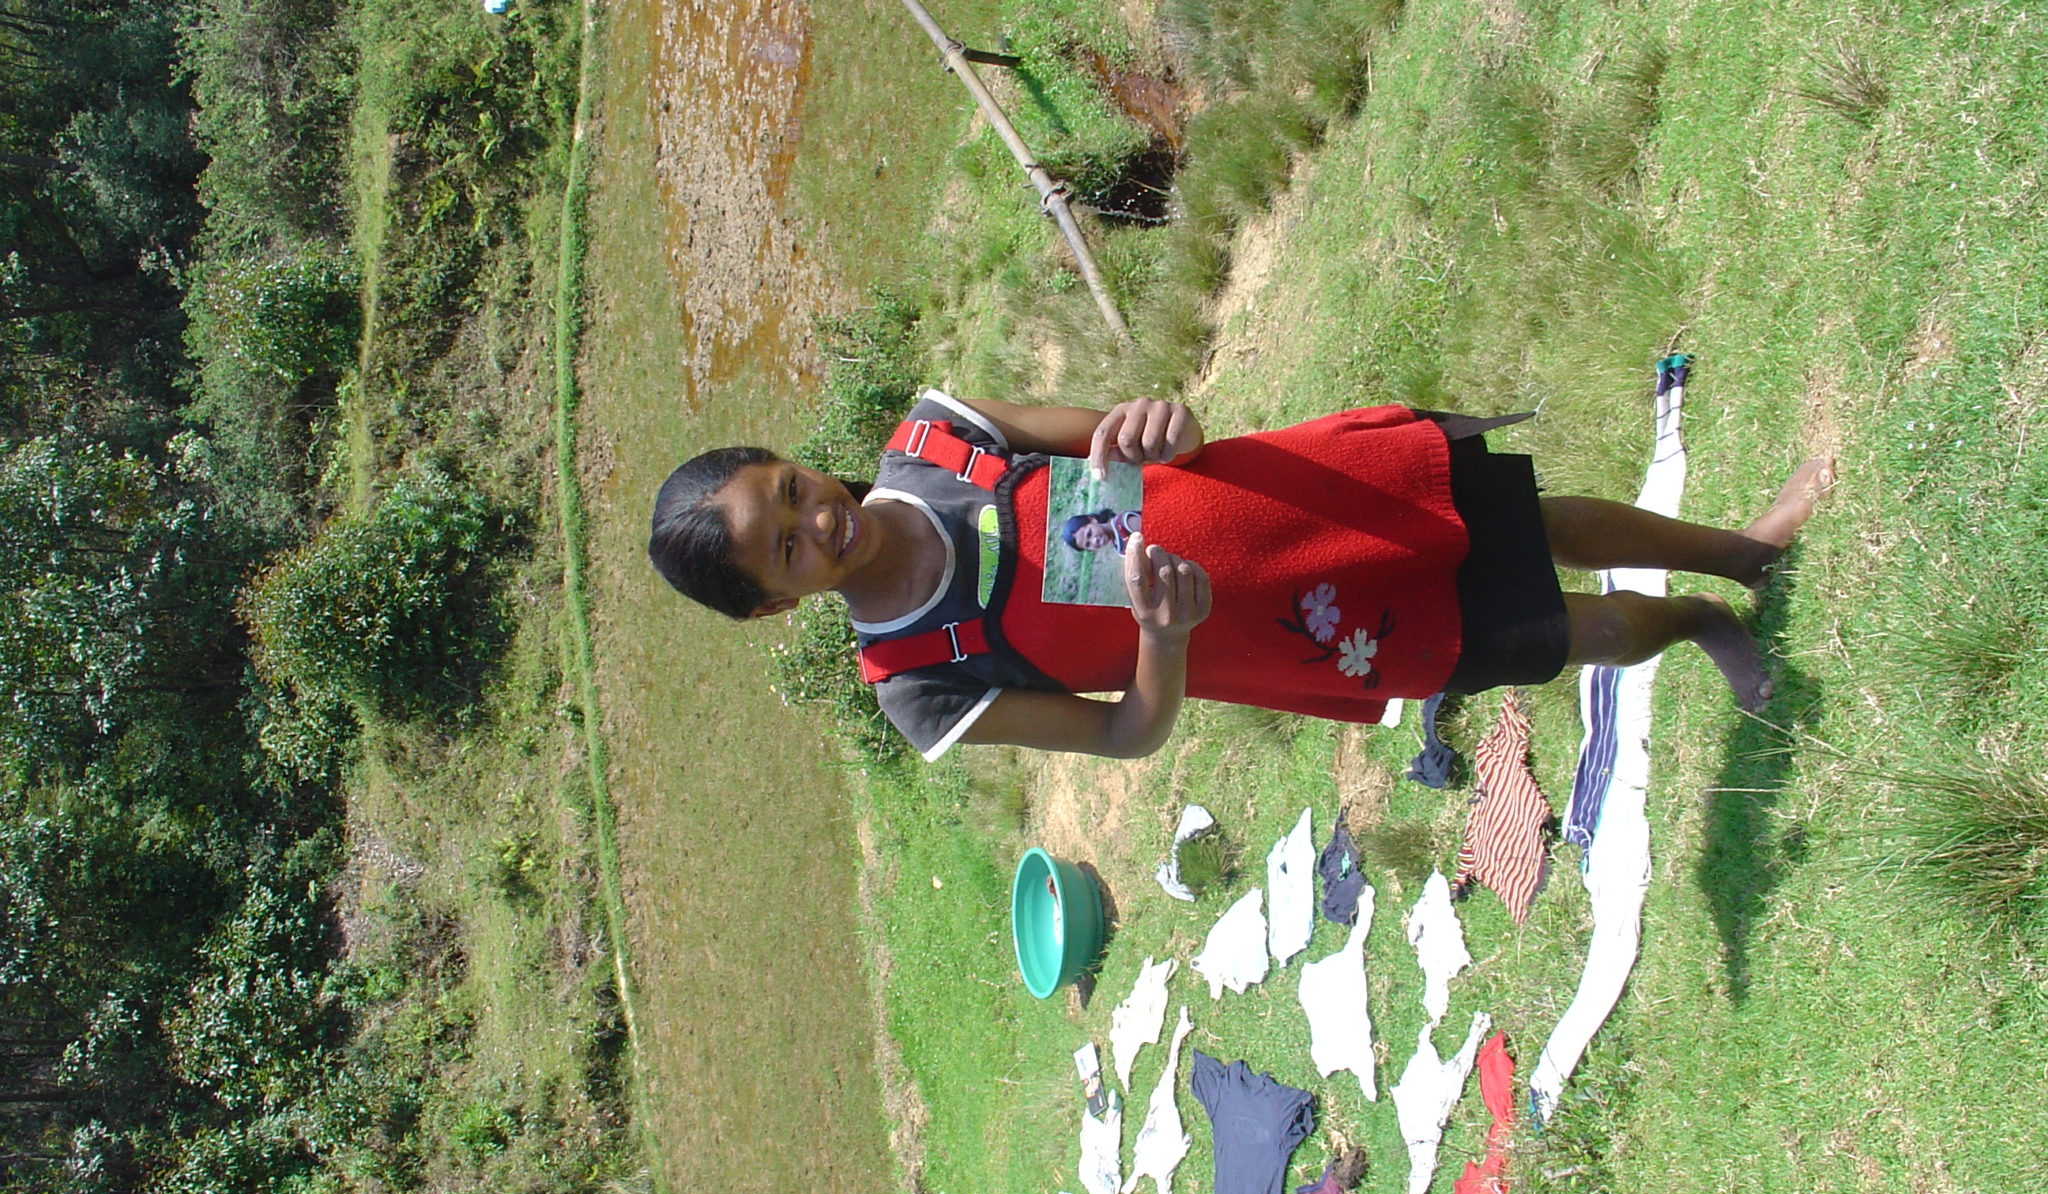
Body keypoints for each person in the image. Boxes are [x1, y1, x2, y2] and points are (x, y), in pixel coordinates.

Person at [648, 391, 1832, 761]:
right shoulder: (921, 680)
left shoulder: (941, 441)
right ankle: (1692, 619)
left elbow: (1144, 439)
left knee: (1531, 520)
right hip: (1308, 635)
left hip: (1303, 500)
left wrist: (1164, 425)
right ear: (774, 604)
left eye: (791, 488)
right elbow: (1126, 736)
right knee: (1566, 631)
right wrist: (1160, 637)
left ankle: (1741, 550)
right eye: (786, 547)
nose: (819, 518)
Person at [1063, 508, 1142, 554]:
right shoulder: (1117, 545)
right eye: (1088, 544)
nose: (1094, 541)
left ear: (1092, 520)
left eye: (1089, 533)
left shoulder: (1124, 524)